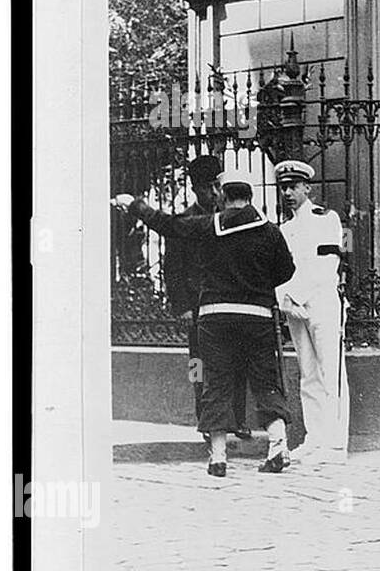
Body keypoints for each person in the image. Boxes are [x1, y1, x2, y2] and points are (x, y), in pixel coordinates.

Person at [112, 168, 296, 478]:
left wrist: (135, 205)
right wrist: (257, 283)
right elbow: (286, 271)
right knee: (266, 380)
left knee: (216, 382)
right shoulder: (271, 232)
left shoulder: (208, 226)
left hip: (215, 318)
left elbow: (168, 225)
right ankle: (278, 446)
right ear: (250, 198)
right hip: (258, 318)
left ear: (223, 197)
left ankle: (219, 457)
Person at [162, 155, 249, 439]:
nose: (213, 193)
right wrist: (183, 306)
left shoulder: (229, 218)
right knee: (198, 365)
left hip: (227, 303)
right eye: (206, 188)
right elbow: (172, 268)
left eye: (217, 186)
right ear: (194, 189)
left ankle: (237, 418)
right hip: (197, 308)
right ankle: (205, 419)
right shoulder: (184, 221)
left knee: (236, 360)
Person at [274, 160, 350, 462]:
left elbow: (327, 264)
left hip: (322, 303)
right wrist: (286, 299)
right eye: (284, 188)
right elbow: (280, 270)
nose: (288, 193)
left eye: (294, 187)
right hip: (295, 307)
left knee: (330, 373)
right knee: (308, 374)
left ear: (308, 187)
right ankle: (314, 438)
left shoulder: (326, 219)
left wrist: (295, 295)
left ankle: (334, 444)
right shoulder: (285, 228)